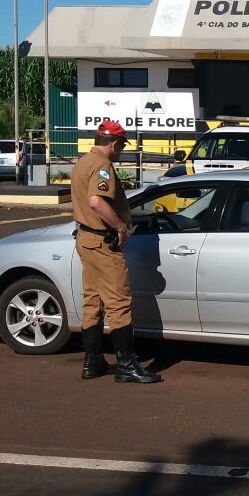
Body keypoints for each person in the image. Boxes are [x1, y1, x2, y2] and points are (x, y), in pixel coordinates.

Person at [71, 120, 160, 383]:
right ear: (114, 143)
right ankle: (126, 365)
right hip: (103, 242)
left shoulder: (83, 162)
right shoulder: (102, 165)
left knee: (93, 301)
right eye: (121, 145)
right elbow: (96, 200)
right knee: (119, 303)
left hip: (86, 239)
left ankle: (93, 361)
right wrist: (120, 226)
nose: (120, 150)